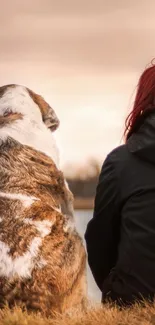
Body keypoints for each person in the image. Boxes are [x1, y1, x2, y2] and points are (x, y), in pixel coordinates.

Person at [85, 63, 155, 306]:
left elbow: (100, 241)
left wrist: (116, 289)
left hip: (134, 299)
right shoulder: (121, 161)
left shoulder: (121, 162)